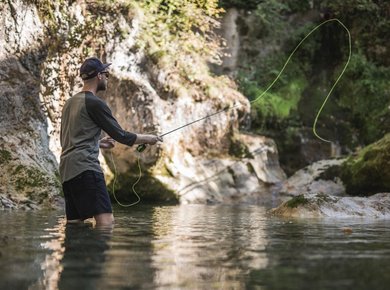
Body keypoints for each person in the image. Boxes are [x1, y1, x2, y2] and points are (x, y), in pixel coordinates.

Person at [59, 57, 162, 227]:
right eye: (106, 74)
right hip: (86, 169)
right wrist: (149, 139)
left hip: (67, 172)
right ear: (99, 76)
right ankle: (98, 253)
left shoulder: (69, 104)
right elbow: (121, 135)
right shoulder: (94, 103)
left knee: (75, 225)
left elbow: (70, 140)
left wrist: (98, 143)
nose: (108, 78)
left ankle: (75, 254)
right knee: (106, 223)